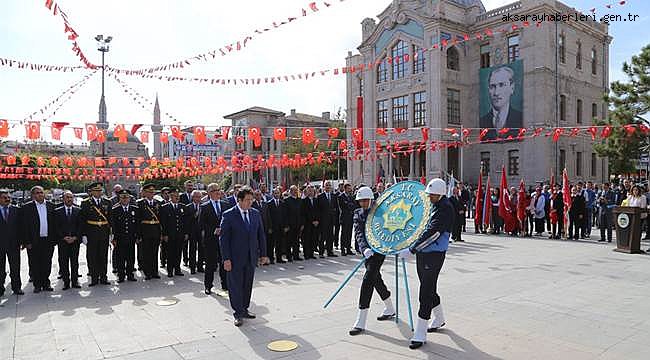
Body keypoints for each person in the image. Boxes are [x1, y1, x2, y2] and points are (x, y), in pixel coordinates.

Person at [398, 179, 453, 350]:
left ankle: (420, 333)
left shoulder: (445, 209)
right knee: (428, 287)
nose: (429, 197)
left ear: (440, 193)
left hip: (434, 254)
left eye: (432, 195)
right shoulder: (433, 205)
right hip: (424, 253)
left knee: (425, 291)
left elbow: (432, 234)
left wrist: (412, 250)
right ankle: (439, 318)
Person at [348, 186, 395, 336]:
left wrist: (384, 245)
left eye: (365, 200)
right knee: (376, 279)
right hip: (367, 252)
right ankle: (390, 307)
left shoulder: (380, 212)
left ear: (371, 199)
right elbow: (359, 233)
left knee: (368, 279)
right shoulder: (357, 214)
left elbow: (388, 228)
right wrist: (364, 249)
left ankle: (360, 321)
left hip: (379, 251)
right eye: (360, 201)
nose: (363, 203)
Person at [219, 186, 268, 327]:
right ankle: (238, 313)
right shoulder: (228, 215)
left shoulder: (255, 214)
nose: (250, 202)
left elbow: (261, 235)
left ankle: (245, 309)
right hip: (234, 259)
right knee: (235, 286)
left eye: (251, 200)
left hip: (251, 257)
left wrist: (263, 254)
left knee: (247, 285)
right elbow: (223, 239)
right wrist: (226, 259)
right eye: (247, 200)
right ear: (239, 200)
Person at [22, 186, 56, 292]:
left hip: (48, 240)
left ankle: (46, 283)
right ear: (33, 195)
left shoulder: (51, 205)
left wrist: (54, 240)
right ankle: (37, 284)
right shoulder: (27, 207)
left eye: (41, 192)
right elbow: (24, 226)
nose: (40, 194)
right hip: (33, 241)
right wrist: (26, 242)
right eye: (37, 193)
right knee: (35, 262)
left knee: (47, 262)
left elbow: (55, 224)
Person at [79, 182, 112, 286]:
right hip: (91, 233)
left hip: (104, 233)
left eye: (100, 191)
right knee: (92, 256)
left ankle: (103, 277)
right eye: (96, 191)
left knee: (103, 255)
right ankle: (94, 277)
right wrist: (83, 235)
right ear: (91, 192)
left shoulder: (107, 202)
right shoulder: (85, 203)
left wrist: (111, 233)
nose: (98, 193)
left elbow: (110, 219)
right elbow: (82, 220)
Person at [201, 183, 230, 294]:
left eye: (218, 189)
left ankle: (225, 284)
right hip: (210, 240)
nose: (218, 192)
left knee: (224, 263)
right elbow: (201, 224)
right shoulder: (204, 206)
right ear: (209, 193)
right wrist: (214, 230)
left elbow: (229, 221)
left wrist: (223, 229)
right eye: (214, 190)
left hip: (224, 240)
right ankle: (208, 286)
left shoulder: (226, 205)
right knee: (210, 264)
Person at [479, 66, 523, 139]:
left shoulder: (519, 117)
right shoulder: (482, 121)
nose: (496, 93)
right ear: (488, 90)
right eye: (492, 86)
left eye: (502, 85)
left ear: (512, 87)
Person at [110, 189, 139, 283]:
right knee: (120, 257)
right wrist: (113, 238)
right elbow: (113, 225)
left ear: (130, 198)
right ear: (119, 198)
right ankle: (121, 275)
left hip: (131, 237)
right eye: (123, 197)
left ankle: (130, 274)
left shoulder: (134, 209)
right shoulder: (115, 209)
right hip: (120, 237)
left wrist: (138, 236)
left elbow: (137, 224)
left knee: (130, 257)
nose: (125, 199)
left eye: (127, 197)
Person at [54, 190, 81, 289]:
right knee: (63, 262)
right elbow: (56, 227)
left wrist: (75, 237)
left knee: (74, 262)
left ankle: (75, 281)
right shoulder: (57, 211)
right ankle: (66, 282)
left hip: (75, 241)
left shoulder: (78, 210)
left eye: (71, 197)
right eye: (67, 197)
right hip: (63, 242)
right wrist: (63, 237)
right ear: (63, 199)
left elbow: (80, 226)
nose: (69, 199)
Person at [136, 184, 163, 280]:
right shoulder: (140, 203)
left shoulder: (158, 203)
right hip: (145, 231)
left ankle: (154, 271)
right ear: (145, 193)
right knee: (146, 252)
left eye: (153, 192)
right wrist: (138, 235)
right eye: (149, 192)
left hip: (155, 231)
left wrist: (161, 233)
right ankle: (147, 273)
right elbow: (138, 220)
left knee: (155, 252)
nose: (151, 194)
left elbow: (161, 220)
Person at [0, 189, 24, 296]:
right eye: (4, 197)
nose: (7, 199)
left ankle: (16, 287)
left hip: (14, 244)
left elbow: (21, 227)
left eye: (9, 197)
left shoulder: (16, 210)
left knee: (15, 267)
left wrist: (23, 241)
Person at [160, 188, 188, 277]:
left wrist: (186, 233)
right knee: (170, 253)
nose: (177, 198)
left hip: (180, 234)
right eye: (175, 196)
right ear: (171, 196)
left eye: (178, 196)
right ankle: (170, 270)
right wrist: (164, 234)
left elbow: (185, 222)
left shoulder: (182, 207)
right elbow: (163, 223)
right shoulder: (165, 207)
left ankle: (177, 269)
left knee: (178, 252)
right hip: (170, 234)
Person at [184, 190, 205, 274]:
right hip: (192, 231)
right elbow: (186, 221)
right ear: (193, 197)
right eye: (196, 197)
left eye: (199, 197)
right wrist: (194, 216)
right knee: (192, 249)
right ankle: (192, 267)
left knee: (201, 249)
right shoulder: (188, 207)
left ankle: (200, 266)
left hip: (201, 231)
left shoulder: (204, 206)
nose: (198, 198)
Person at [318, 181, 339, 257]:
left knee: (330, 236)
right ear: (324, 186)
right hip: (323, 220)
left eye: (329, 185)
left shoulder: (333, 196)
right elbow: (318, 209)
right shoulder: (320, 196)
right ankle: (321, 252)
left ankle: (330, 252)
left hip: (331, 220)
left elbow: (336, 208)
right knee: (323, 237)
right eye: (326, 185)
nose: (328, 187)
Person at [267, 187, 286, 264]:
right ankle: (271, 258)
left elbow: (284, 215)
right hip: (273, 227)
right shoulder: (269, 203)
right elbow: (268, 217)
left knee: (280, 243)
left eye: (278, 193)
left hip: (280, 227)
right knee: (271, 244)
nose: (277, 194)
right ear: (272, 194)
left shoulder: (282, 203)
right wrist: (270, 227)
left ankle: (279, 258)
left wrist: (285, 226)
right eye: (275, 193)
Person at [284, 185, 304, 261]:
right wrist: (286, 225)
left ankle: (296, 256)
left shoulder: (300, 200)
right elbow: (285, 214)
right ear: (290, 191)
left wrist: (302, 224)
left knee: (296, 241)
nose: (295, 192)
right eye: (293, 190)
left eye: (296, 190)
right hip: (290, 225)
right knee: (289, 241)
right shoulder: (287, 200)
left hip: (298, 224)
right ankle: (289, 256)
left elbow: (302, 213)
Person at [338, 183, 358, 254]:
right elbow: (343, 206)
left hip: (350, 217)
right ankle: (343, 249)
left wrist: (349, 204)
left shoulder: (351, 196)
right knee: (344, 234)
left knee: (349, 233)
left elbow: (354, 205)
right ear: (345, 189)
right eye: (348, 188)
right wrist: (349, 204)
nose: (350, 190)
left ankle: (348, 249)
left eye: (350, 188)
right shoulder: (341, 196)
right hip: (344, 217)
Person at [301, 186, 320, 260]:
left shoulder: (316, 200)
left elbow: (318, 211)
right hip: (307, 223)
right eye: (309, 191)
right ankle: (306, 254)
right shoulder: (304, 201)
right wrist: (312, 221)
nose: (311, 192)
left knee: (313, 238)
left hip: (315, 223)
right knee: (307, 239)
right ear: (306, 192)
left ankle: (312, 253)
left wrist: (317, 220)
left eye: (312, 191)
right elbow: (304, 213)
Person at [180, 180, 194, 266]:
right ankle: (185, 259)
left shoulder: (195, 195)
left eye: (191, 186)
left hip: (194, 223)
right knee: (184, 243)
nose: (190, 187)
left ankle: (192, 260)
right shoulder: (182, 196)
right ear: (185, 186)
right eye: (188, 186)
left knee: (193, 244)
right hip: (185, 222)